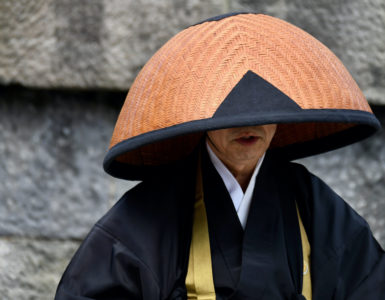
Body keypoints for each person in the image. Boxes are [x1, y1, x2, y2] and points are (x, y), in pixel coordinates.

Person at [55, 13, 385, 299]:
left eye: (264, 110)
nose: (250, 124)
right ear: (203, 119)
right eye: (234, 115)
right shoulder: (150, 214)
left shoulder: (311, 204)